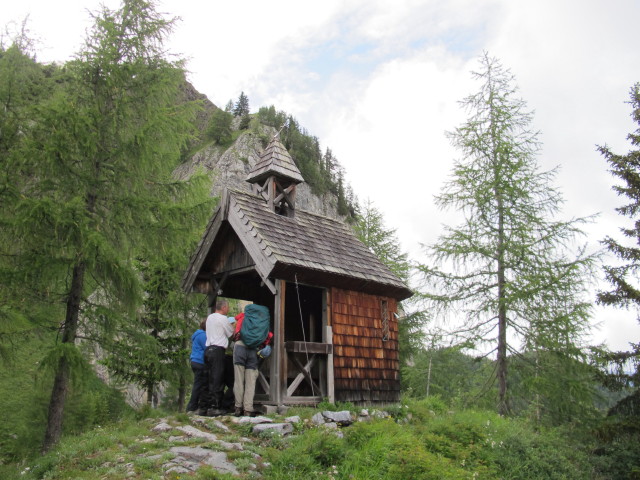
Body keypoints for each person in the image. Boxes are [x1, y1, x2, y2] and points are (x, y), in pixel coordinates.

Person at [232, 304, 272, 417]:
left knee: (239, 378)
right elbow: (267, 337)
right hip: (253, 350)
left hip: (239, 347)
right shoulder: (262, 322)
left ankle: (238, 407)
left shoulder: (243, 317)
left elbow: (235, 330)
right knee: (251, 380)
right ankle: (248, 409)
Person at [202, 299, 235, 416]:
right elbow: (231, 332)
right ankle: (215, 407)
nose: (228, 309)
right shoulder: (223, 319)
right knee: (217, 378)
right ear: (224, 307)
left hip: (208, 349)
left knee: (208, 378)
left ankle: (205, 406)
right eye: (228, 307)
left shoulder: (210, 317)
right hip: (218, 350)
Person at [186, 319, 207, 413]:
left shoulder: (197, 334)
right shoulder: (203, 335)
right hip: (200, 361)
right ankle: (192, 406)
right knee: (199, 385)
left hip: (194, 360)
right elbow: (207, 347)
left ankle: (193, 405)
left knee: (198, 383)